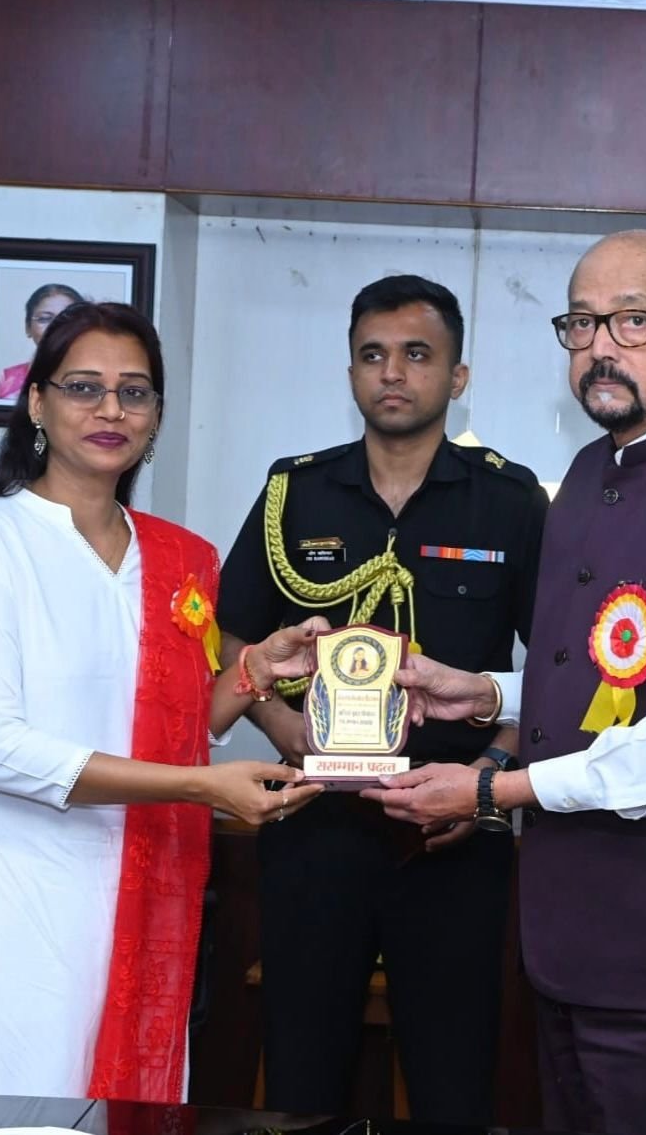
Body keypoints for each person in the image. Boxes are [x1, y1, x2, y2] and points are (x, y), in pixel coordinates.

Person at [364, 231, 646, 1135]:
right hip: (565, 947)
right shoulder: (586, 471)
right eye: (581, 322)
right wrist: (487, 693)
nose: (601, 346)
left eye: (634, 321)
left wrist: (496, 789)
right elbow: (608, 682)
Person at [0, 301, 326, 1103]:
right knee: (17, 1110)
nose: (111, 410)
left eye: (134, 392)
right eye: (84, 387)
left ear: (157, 415)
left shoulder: (178, 558)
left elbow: (177, 726)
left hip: (144, 880)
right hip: (18, 890)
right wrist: (200, 787)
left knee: (130, 1110)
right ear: (38, 404)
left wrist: (251, 672)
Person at [216, 274, 547, 1125]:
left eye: (416, 354)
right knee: (302, 1080)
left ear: (457, 376)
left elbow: (554, 671)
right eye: (372, 355)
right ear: (351, 372)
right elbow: (230, 637)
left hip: (451, 835)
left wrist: (490, 777)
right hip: (314, 824)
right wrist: (285, 727)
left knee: (453, 1085)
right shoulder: (294, 492)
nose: (392, 373)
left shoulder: (509, 501)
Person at [0, 282, 85, 400]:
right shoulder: (6, 381)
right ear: (28, 327)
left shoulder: (97, 378)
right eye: (45, 319)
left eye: (68, 319)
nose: (55, 327)